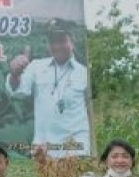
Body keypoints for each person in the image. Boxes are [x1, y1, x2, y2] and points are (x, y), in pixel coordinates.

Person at [5, 27, 92, 158]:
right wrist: (14, 73)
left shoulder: (84, 73)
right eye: (53, 42)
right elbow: (18, 91)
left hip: (76, 149)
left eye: (62, 41)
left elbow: (92, 109)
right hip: (44, 149)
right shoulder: (36, 67)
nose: (57, 46)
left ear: (72, 42)